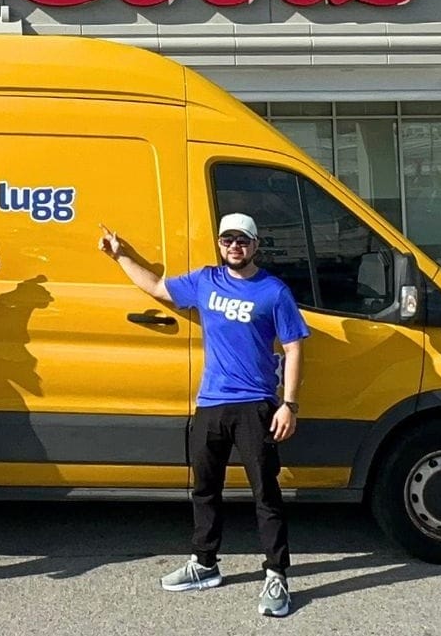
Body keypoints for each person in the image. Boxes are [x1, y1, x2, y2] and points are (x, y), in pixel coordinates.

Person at [99, 213, 308, 619]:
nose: (235, 246)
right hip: (210, 403)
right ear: (219, 243)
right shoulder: (205, 280)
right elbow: (158, 288)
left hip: (256, 405)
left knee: (266, 494)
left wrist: (289, 404)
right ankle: (205, 564)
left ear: (255, 245)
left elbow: (295, 347)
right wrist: (119, 256)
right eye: (228, 239)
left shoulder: (274, 292)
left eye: (243, 240)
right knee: (205, 489)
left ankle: (277, 574)